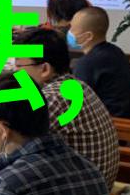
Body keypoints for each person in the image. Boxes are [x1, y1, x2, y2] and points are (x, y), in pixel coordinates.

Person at [15, 27, 120, 186]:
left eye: (19, 66)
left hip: (81, 193)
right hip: (92, 183)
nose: (15, 72)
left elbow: (12, 147)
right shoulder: (74, 84)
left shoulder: (52, 99)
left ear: (45, 69)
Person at [69, 6, 130, 119]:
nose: (69, 32)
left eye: (72, 28)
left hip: (113, 124)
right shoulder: (115, 51)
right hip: (124, 119)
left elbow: (74, 105)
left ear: (88, 36)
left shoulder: (88, 63)